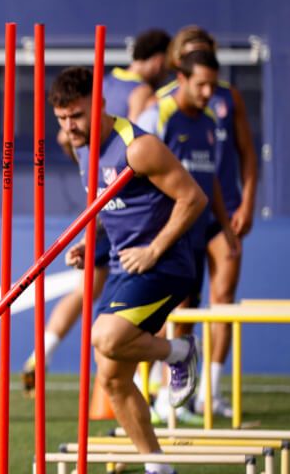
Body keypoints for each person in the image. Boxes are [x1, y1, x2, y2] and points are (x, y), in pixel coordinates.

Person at [51, 66, 205, 474]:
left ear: (99, 106)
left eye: (77, 116)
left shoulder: (138, 148)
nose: (70, 127)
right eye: (63, 120)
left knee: (104, 337)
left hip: (165, 264)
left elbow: (193, 198)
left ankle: (180, 350)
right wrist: (91, 244)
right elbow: (107, 210)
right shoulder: (80, 148)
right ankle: (158, 468)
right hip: (123, 264)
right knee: (112, 379)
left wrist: (155, 249)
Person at [21, 29, 171, 396]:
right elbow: (131, 145)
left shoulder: (104, 79)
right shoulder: (140, 94)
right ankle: (149, 381)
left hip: (102, 200)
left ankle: (43, 352)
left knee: (87, 286)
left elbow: (66, 138)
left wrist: (89, 166)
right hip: (128, 204)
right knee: (145, 299)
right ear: (156, 59)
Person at [155, 27, 258, 418]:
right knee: (181, 304)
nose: (206, 88)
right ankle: (171, 394)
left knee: (224, 298)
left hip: (223, 211)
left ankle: (210, 393)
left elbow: (243, 155)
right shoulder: (165, 105)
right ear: (180, 66)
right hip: (181, 218)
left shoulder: (227, 98)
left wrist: (246, 203)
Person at [138, 50, 240, 423]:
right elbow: (137, 166)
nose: (208, 91)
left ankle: (181, 392)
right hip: (167, 230)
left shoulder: (211, 118)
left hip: (201, 228)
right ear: (180, 79)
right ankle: (157, 391)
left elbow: (209, 176)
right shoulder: (159, 114)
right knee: (167, 312)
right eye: (201, 84)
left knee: (190, 311)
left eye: (213, 84)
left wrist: (226, 228)